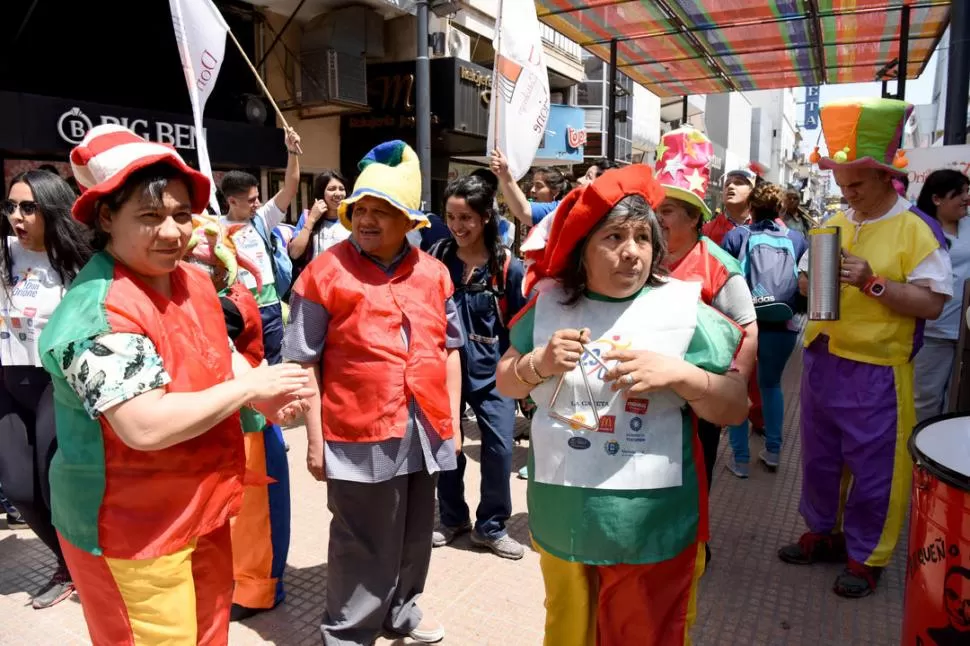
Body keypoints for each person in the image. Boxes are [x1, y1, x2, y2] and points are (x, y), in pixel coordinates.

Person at [38, 124, 311, 644]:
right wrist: (249, 390)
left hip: (201, 507)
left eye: (181, 215)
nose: (171, 232)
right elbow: (143, 425)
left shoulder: (192, 279)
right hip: (131, 527)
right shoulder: (99, 310)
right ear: (105, 218)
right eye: (149, 215)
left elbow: (220, 354)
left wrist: (267, 396)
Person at [497, 164, 747, 646]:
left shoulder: (684, 311)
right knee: (569, 631)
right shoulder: (549, 306)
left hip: (653, 522)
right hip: (565, 515)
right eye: (613, 237)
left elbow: (734, 408)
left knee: (645, 634)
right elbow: (506, 382)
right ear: (582, 250)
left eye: (642, 237)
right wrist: (539, 362)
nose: (631, 252)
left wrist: (681, 375)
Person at [283, 140, 463, 646]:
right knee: (360, 541)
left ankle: (401, 610)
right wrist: (315, 441)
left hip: (424, 429)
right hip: (356, 432)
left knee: (412, 534)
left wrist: (448, 417)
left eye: (381, 211)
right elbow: (302, 362)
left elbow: (451, 349)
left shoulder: (435, 274)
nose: (366, 220)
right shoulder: (324, 273)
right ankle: (347, 632)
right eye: (360, 209)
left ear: (410, 222)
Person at [781, 98, 951, 599]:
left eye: (856, 182)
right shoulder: (835, 222)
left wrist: (875, 284)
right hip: (823, 360)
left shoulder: (916, 229)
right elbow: (811, 283)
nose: (845, 190)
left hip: (877, 370)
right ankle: (824, 533)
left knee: (877, 468)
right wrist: (811, 283)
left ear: (885, 178)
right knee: (819, 460)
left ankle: (866, 556)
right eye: (841, 179)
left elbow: (932, 305)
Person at [184, 216, 293, 622]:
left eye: (200, 263)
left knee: (256, 517)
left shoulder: (232, 300)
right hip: (220, 419)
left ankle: (260, 590)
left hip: (251, 420)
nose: (191, 271)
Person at [653, 127, 758, 543]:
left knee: (693, 476)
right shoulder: (639, 253)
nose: (657, 219)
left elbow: (747, 331)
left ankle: (694, 545)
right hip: (644, 397)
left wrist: (732, 387)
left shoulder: (719, 266)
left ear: (696, 218)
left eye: (668, 211)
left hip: (697, 402)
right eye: (654, 208)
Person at [0, 170, 92, 608]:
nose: (17, 216)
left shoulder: (76, 260)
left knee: (49, 483)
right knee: (18, 490)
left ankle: (75, 567)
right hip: (6, 381)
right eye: (10, 206)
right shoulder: (3, 254)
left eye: (28, 207)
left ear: (51, 208)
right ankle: (67, 562)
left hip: (53, 385)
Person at [429, 175, 527, 560]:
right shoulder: (437, 257)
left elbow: (521, 327)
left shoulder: (508, 268)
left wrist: (520, 373)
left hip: (495, 376)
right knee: (448, 448)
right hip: (445, 373)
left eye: (466, 217)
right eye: (451, 217)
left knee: (500, 449)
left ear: (486, 217)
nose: (458, 226)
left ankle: (491, 526)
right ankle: (452, 519)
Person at [721, 182, 807, 476]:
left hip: (743, 327)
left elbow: (723, 282)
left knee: (738, 388)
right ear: (781, 208)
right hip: (782, 326)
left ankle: (740, 459)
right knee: (771, 387)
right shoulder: (795, 239)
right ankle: (773, 451)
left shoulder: (736, 236)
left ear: (751, 207)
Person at [220, 127, 302, 365]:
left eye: (258, 197)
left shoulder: (262, 219)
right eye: (251, 200)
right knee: (244, 364)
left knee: (275, 363)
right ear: (232, 201)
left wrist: (292, 152)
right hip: (237, 308)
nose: (257, 203)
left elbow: (291, 187)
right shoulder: (216, 227)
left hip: (269, 307)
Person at [913, 169, 970, 421]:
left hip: (966, 331)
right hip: (932, 331)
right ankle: (918, 454)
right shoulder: (920, 228)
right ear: (937, 199)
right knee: (926, 399)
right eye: (960, 193)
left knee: (958, 400)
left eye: (968, 192)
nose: (966, 198)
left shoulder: (968, 225)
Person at [287, 169, 350, 278]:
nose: (338, 193)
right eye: (331, 189)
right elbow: (294, 253)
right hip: (314, 284)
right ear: (321, 193)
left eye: (341, 189)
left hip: (344, 283)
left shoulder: (352, 219)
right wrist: (312, 219)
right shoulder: (308, 217)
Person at [491, 149, 570, 227]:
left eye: (539, 186)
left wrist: (504, 174)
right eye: (533, 185)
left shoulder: (557, 211)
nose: (532, 190)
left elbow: (523, 210)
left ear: (556, 191)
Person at [702, 167, 756, 245]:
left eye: (738, 183)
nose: (730, 186)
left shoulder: (765, 231)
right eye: (727, 184)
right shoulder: (706, 231)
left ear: (752, 192)